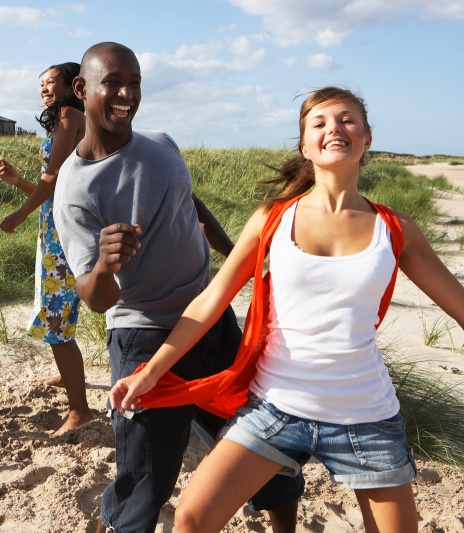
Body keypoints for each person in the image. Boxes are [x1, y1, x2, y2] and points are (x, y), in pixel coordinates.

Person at [110, 86, 464, 532]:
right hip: (275, 407)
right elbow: (210, 300)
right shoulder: (273, 218)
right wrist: (150, 371)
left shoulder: (395, 229)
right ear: (305, 145)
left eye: (347, 119)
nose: (334, 127)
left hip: (365, 415)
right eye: (320, 123)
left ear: (367, 139)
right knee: (193, 517)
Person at [53, 42, 301, 533]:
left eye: (135, 83)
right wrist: (105, 264)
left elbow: (192, 205)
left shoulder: (162, 143)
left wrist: (240, 258)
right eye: (114, 82)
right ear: (82, 90)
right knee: (145, 480)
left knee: (268, 446)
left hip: (214, 320)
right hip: (146, 339)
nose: (126, 94)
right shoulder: (76, 189)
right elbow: (99, 299)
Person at [0, 62, 93, 437]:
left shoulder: (70, 114)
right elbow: (52, 188)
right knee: (59, 313)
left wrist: (20, 214)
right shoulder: (63, 119)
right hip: (55, 228)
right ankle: (70, 376)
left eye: (51, 82)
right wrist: (20, 182)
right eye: (41, 85)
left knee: (56, 318)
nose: (44, 90)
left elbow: (52, 180)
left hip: (64, 233)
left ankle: (79, 410)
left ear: (74, 85)